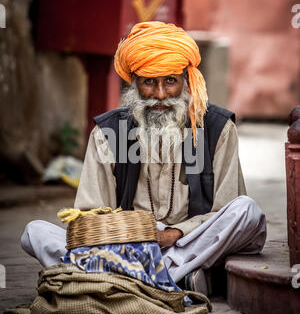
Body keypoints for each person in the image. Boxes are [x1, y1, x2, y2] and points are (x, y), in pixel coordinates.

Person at [21, 21, 267, 296]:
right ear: (134, 84)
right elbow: (91, 214)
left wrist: (176, 234)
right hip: (128, 246)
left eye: (170, 81)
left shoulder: (216, 128)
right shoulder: (110, 133)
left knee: (247, 211)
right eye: (149, 82)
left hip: (193, 241)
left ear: (186, 81)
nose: (160, 95)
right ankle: (175, 277)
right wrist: (132, 237)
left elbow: (226, 209)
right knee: (35, 232)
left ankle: (130, 278)